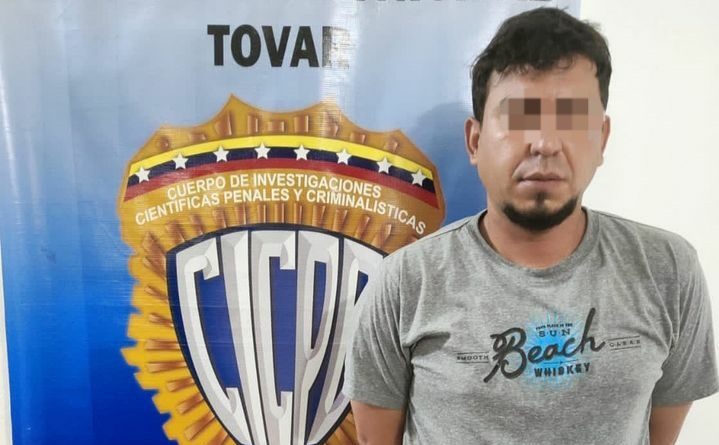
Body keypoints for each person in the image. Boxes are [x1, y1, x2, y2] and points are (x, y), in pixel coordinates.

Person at [343, 7, 719, 445]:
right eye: (519, 118)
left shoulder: (667, 269)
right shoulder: (406, 282)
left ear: (602, 138)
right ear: (475, 141)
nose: (544, 143)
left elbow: (660, 435)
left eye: (572, 119)